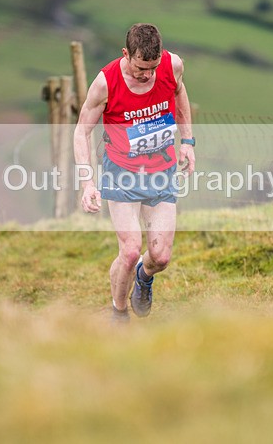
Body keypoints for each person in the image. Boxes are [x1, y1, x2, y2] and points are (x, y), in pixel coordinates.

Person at [73, 23, 195, 323]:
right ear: (126, 54)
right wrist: (87, 183)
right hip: (121, 172)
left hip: (161, 171)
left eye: (153, 68)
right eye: (141, 68)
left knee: (161, 257)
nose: (147, 75)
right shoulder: (105, 83)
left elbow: (179, 93)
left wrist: (187, 141)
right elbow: (81, 132)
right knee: (129, 251)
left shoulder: (173, 66)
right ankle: (118, 311)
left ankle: (144, 275)